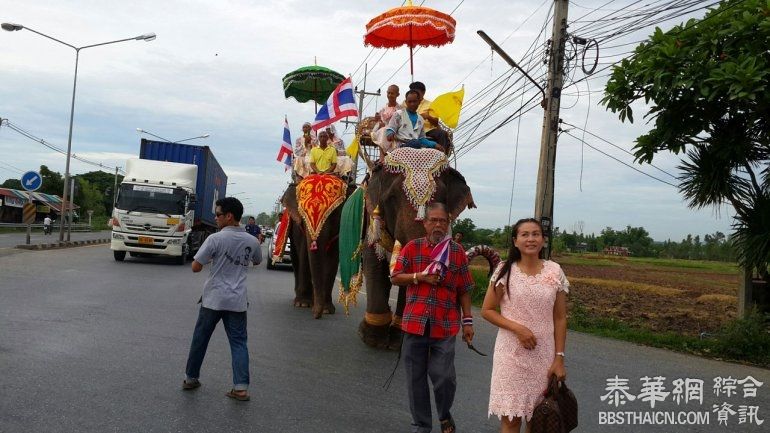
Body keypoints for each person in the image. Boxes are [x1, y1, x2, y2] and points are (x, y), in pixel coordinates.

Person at [390, 202, 475, 433]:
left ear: (448, 224)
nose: (438, 224)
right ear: (424, 223)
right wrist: (420, 277)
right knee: (415, 379)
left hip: (445, 325)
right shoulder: (411, 248)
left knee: (444, 377)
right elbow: (396, 277)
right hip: (415, 323)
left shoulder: (456, 251)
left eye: (443, 221)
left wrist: (467, 321)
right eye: (433, 220)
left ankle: (444, 413)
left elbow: (465, 289)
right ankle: (423, 426)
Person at [482, 218, 568, 433]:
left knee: (539, 420)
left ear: (543, 240)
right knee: (511, 420)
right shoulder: (504, 270)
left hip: (544, 358)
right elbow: (487, 310)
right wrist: (518, 328)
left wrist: (559, 358)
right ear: (515, 241)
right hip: (510, 356)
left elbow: (560, 318)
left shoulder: (554, 271)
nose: (531, 239)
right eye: (525, 234)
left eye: (536, 234)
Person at [183, 197, 261, 402]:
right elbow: (257, 261)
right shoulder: (252, 241)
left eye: (218, 215)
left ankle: (191, 378)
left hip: (213, 300)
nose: (215, 218)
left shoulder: (215, 240)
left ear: (229, 216)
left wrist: (213, 260)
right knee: (239, 343)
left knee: (200, 339)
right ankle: (241, 388)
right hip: (237, 301)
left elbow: (195, 267)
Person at [409, 81, 451, 154]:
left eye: (417, 92)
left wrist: (428, 116)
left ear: (423, 92)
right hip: (410, 130)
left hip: (427, 131)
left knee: (442, 134)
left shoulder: (430, 105)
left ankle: (442, 158)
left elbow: (435, 122)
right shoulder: (406, 103)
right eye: (413, 92)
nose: (415, 94)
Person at [372, 84, 403, 159]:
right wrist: (378, 119)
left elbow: (401, 123)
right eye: (388, 93)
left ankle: (386, 157)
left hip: (395, 131)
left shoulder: (400, 109)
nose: (389, 95)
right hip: (383, 130)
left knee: (385, 131)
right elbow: (379, 122)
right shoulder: (383, 109)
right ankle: (382, 156)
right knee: (382, 131)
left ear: (397, 94)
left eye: (392, 93)